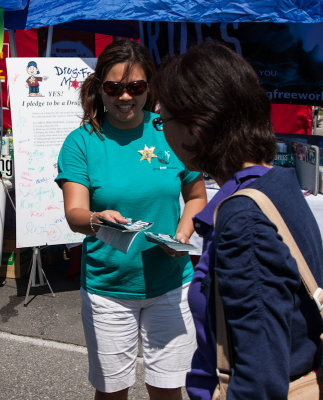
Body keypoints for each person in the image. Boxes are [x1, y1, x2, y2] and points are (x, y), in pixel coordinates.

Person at [152, 41, 323, 400]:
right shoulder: (271, 181)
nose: (161, 131)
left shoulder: (243, 218)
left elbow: (260, 377)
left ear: (197, 125)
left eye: (162, 119)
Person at [55, 39, 207, 400]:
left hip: (171, 284)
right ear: (100, 88)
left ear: (149, 88)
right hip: (109, 290)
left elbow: (197, 196)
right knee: (111, 392)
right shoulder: (82, 141)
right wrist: (96, 217)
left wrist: (183, 234)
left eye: (136, 87)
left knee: (169, 390)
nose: (125, 97)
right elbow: (74, 214)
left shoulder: (168, 129)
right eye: (114, 88)